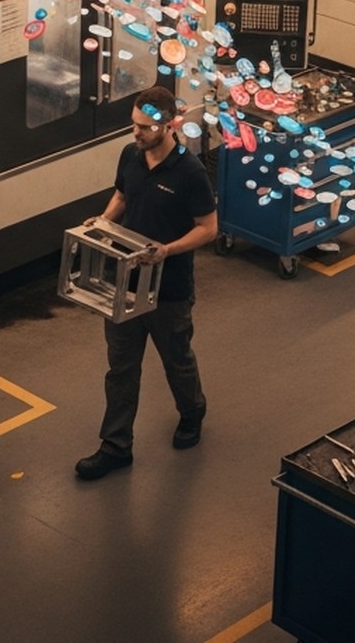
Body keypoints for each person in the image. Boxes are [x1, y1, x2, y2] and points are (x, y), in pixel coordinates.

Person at [75, 85, 219, 480]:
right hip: (125, 283)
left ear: (169, 125)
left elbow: (208, 229)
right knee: (121, 367)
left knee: (176, 359)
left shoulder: (189, 173)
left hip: (169, 289)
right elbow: (122, 196)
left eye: (144, 127)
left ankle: (192, 413)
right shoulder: (131, 155)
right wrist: (103, 223)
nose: (136, 134)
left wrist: (168, 250)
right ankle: (116, 445)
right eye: (133, 125)